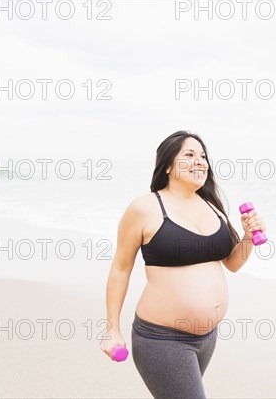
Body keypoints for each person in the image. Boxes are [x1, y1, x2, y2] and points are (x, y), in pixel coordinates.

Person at [100, 130, 266, 398]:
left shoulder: (213, 206)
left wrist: (247, 237)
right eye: (188, 155)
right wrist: (112, 329)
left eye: (203, 156)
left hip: (207, 338)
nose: (199, 161)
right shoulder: (144, 208)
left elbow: (232, 264)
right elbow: (120, 268)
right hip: (162, 339)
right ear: (167, 165)